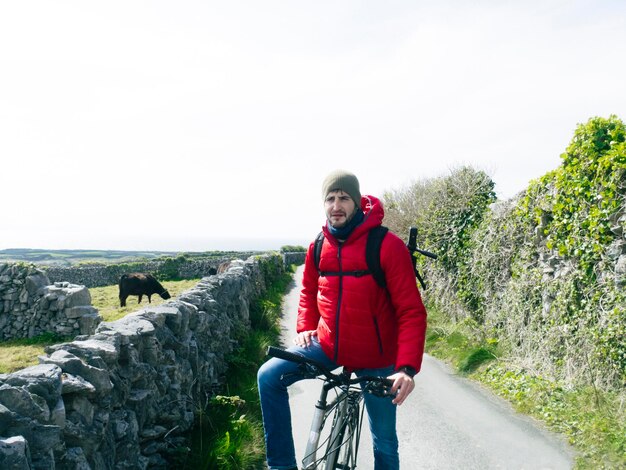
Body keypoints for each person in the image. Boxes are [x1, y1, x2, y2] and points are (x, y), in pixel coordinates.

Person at [257, 169, 427, 470]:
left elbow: (411, 311)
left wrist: (406, 369)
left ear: (358, 203)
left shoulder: (387, 245)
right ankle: (281, 465)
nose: (336, 205)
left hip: (376, 357)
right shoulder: (319, 245)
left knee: (384, 441)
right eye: (330, 198)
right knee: (268, 376)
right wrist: (306, 326)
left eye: (344, 198)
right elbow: (308, 290)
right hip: (328, 344)